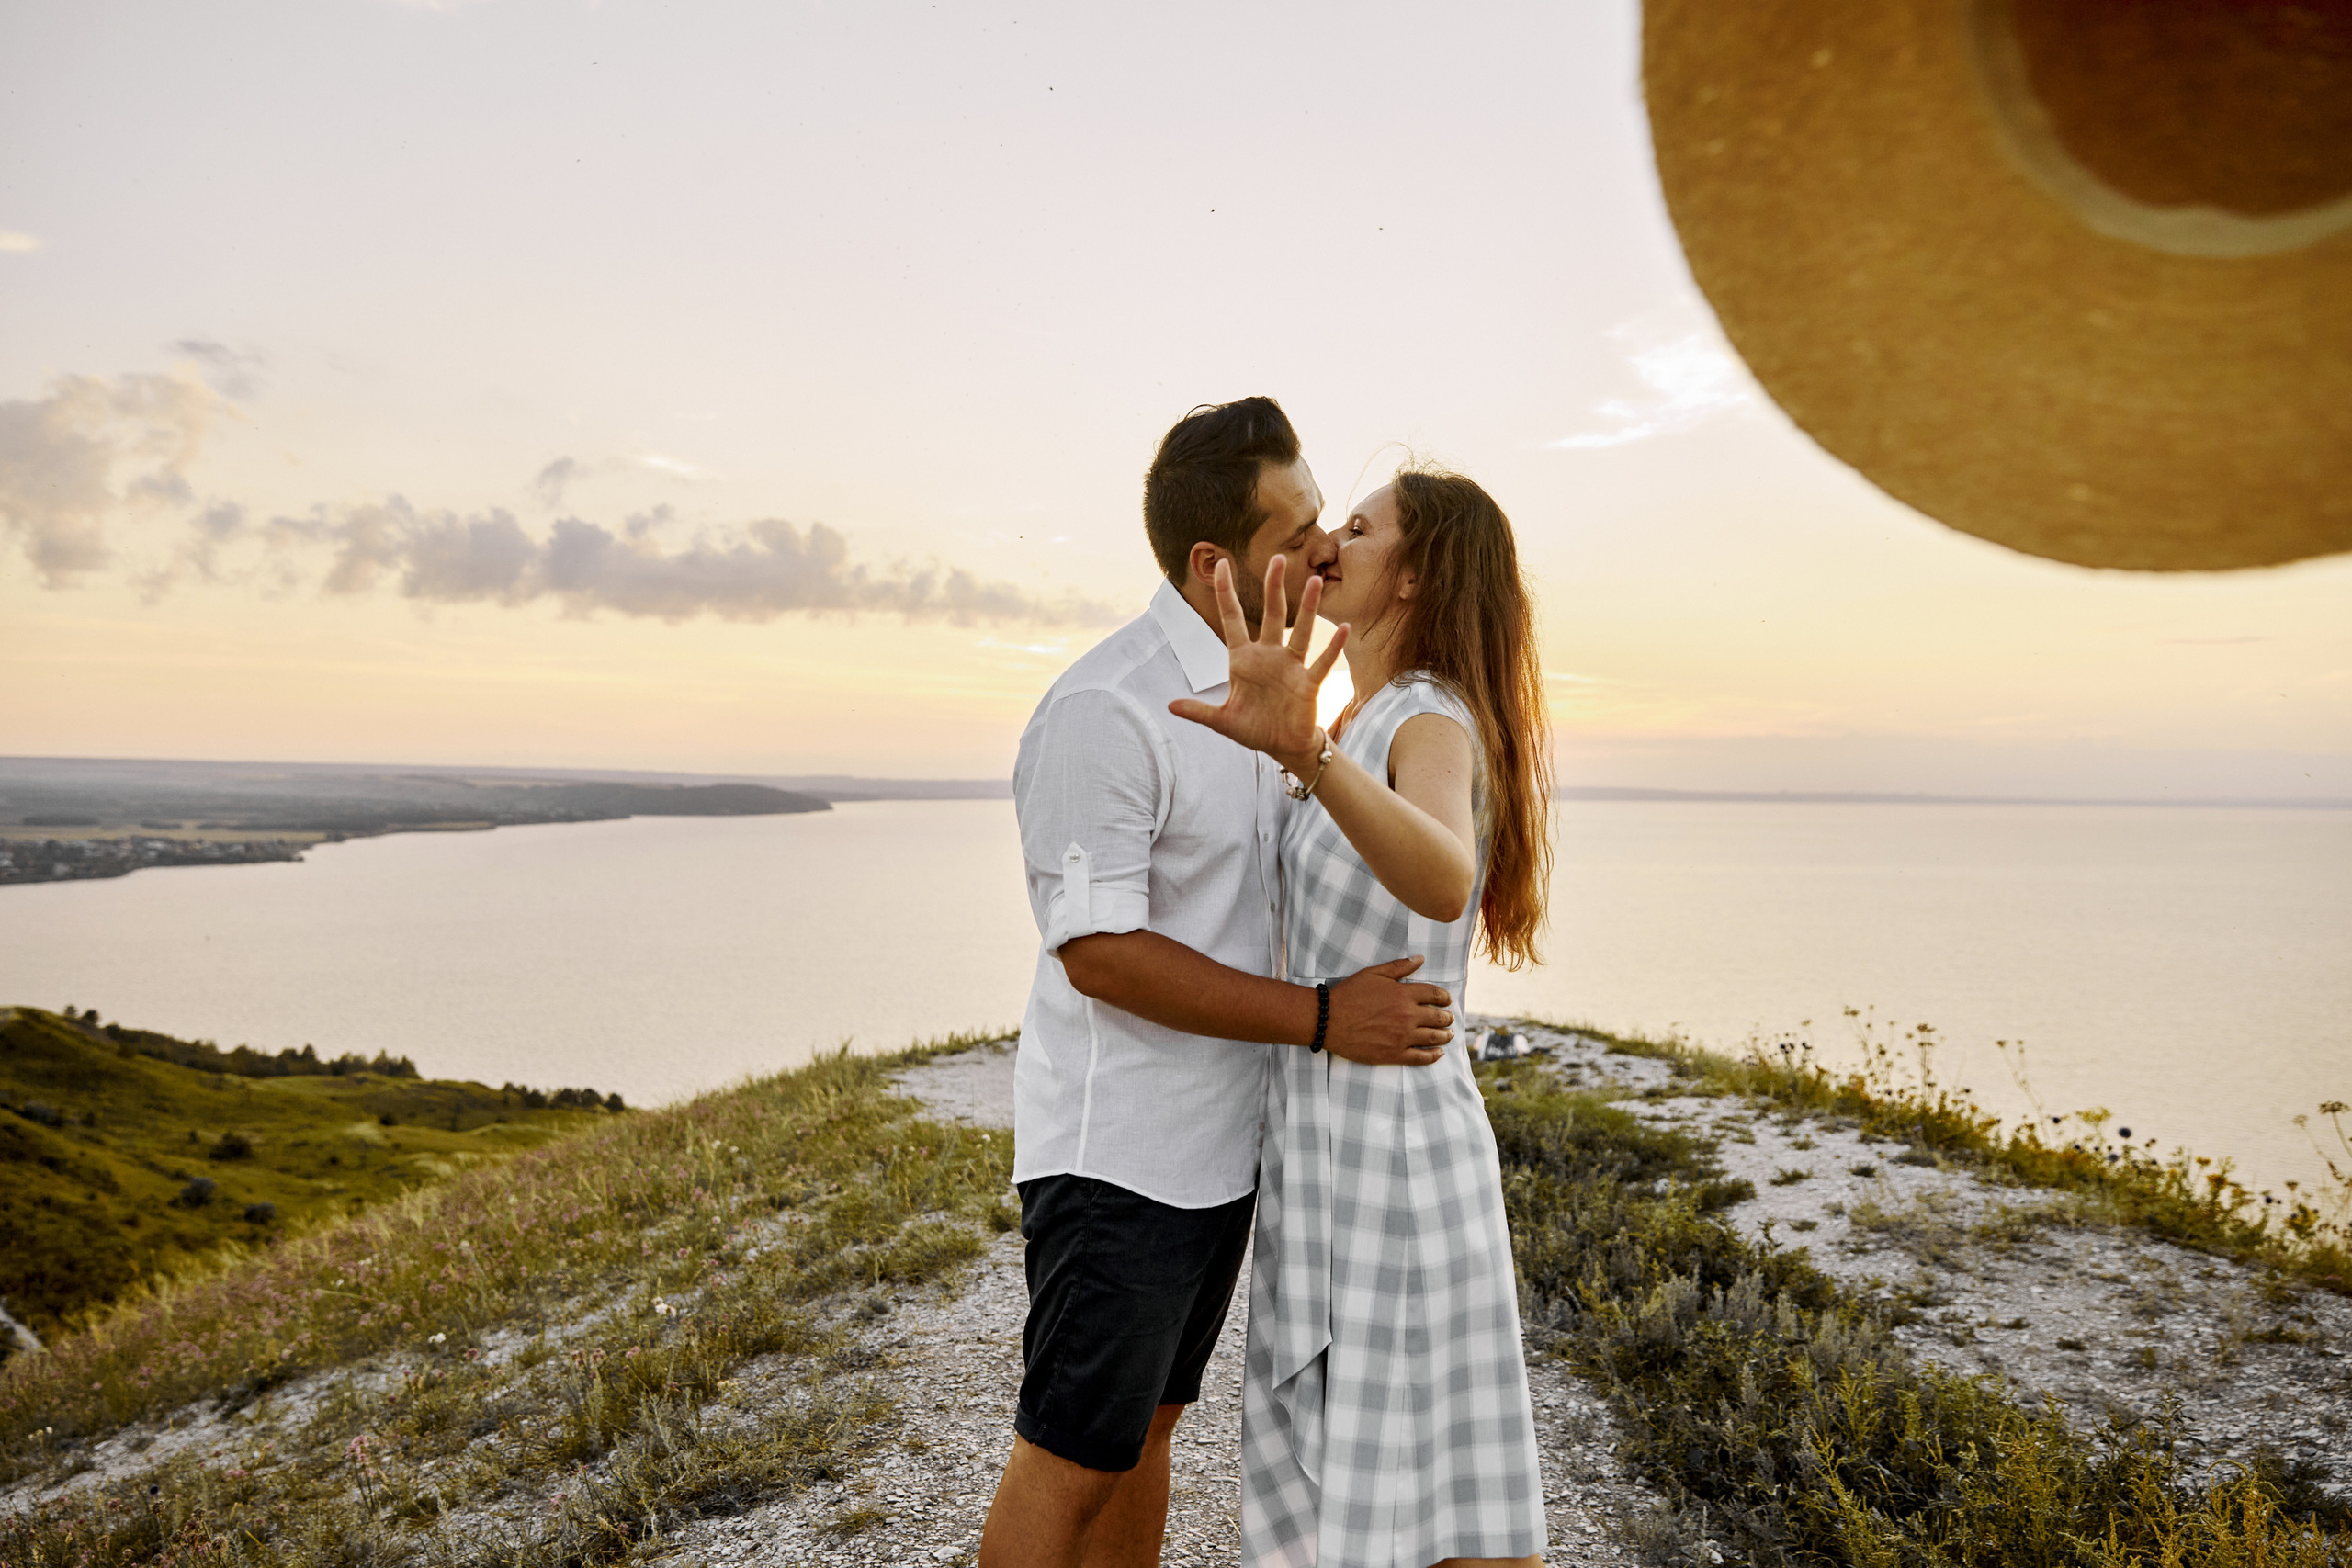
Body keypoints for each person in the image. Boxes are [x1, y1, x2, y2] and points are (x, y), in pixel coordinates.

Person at [978, 399, 1459, 1568]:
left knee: (1148, 1432)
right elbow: (1099, 953)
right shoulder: (1110, 705)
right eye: (1297, 532)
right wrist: (1328, 1019)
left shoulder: (1276, 692)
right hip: (1119, 1157)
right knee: (1073, 1449)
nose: (1324, 552)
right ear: (1216, 561)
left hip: (1220, 1151)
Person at [1171, 466, 1553, 1568]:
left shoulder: (1425, 716)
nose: (1329, 538)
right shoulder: (1366, 712)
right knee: (1407, 1480)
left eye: (1359, 527)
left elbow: (1442, 876)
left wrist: (1307, 752)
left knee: (1438, 1488)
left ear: (1418, 571)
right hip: (1332, 1139)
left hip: (1393, 1154)